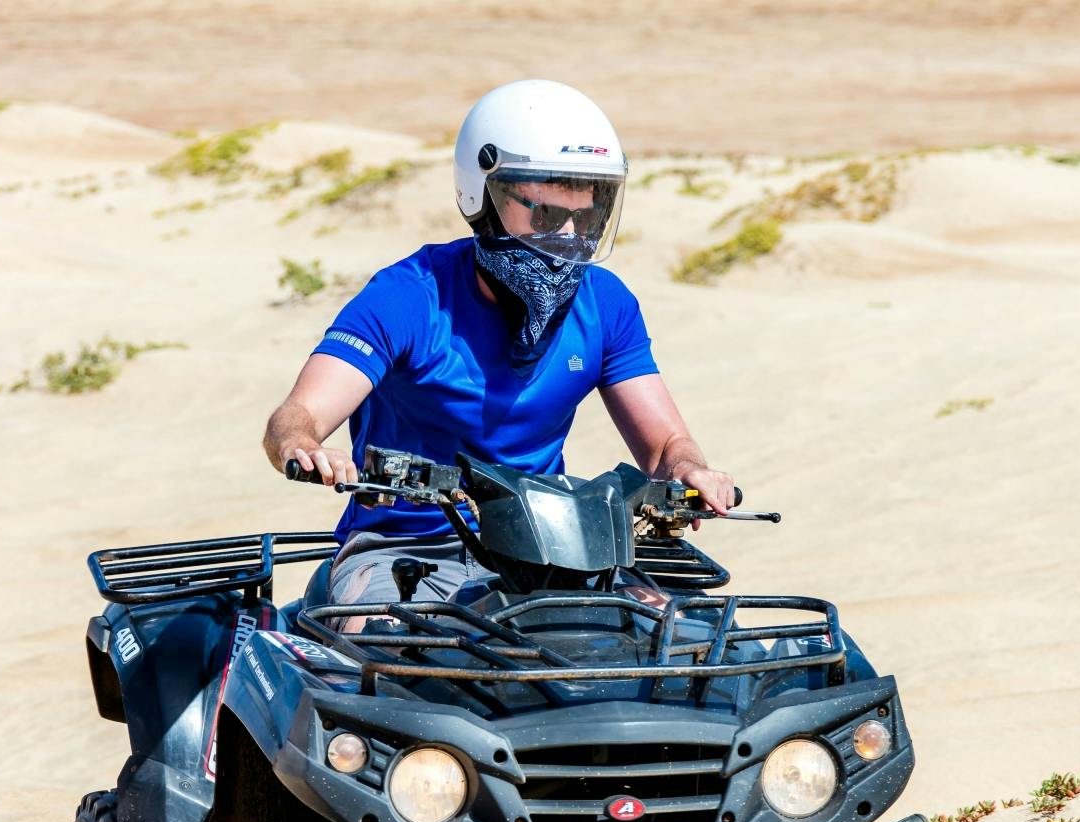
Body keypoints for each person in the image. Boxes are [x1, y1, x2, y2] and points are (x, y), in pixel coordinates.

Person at [261, 80, 737, 609]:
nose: (571, 239)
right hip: (403, 547)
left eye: (589, 218)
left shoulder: (606, 303)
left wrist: (690, 467)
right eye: (548, 217)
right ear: (482, 196)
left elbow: (666, 446)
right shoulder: (408, 297)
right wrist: (301, 446)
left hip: (554, 549)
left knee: (669, 641)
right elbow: (298, 414)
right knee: (388, 654)